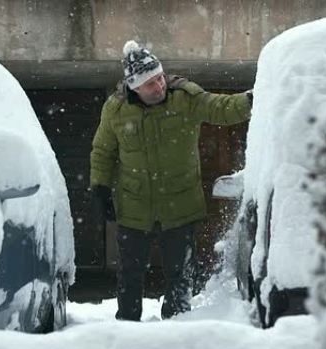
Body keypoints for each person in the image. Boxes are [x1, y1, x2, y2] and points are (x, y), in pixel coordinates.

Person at [90, 40, 252, 321]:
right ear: (134, 87)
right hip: (134, 204)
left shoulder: (185, 98)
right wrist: (100, 187)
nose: (160, 86)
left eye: (160, 78)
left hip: (180, 203)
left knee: (179, 273)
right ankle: (126, 325)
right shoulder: (115, 110)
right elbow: (103, 151)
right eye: (150, 83)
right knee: (130, 272)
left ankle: (177, 325)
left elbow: (221, 108)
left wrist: (253, 98)